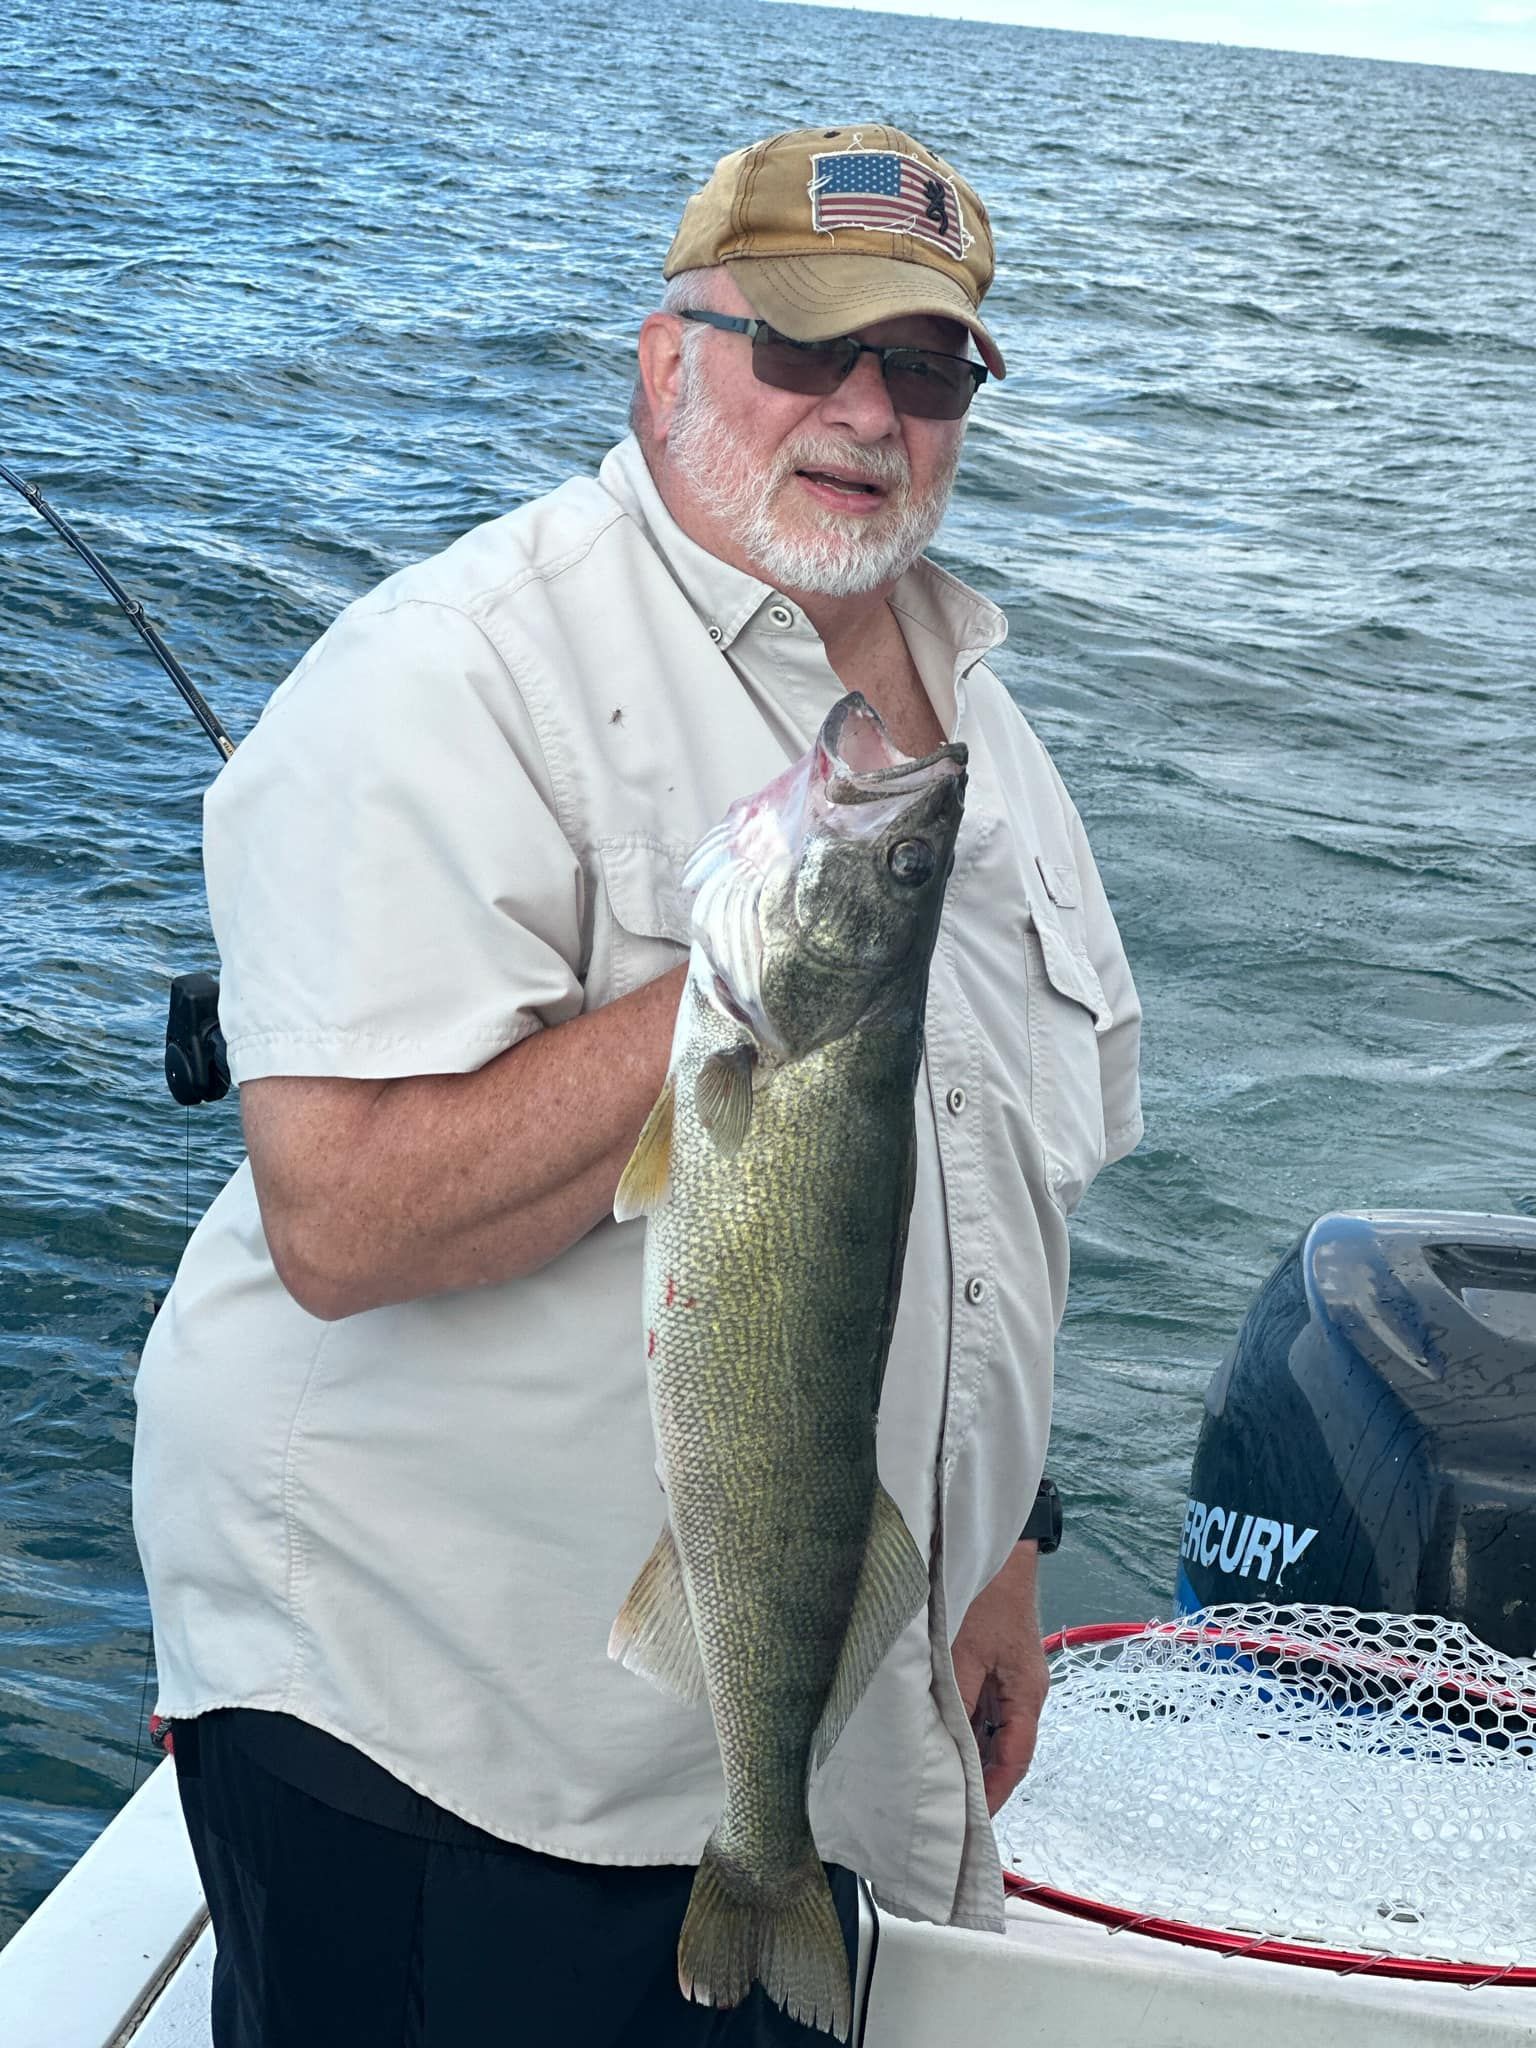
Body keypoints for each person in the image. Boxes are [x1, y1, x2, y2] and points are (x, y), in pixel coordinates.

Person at [133, 123, 1141, 2045]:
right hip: (448, 1747)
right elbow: (339, 1221)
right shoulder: (454, 671)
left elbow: (999, 1187)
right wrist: (761, 993)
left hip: (823, 1739)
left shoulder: (983, 737)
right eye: (806, 346)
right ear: (668, 355)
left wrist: (1003, 1549)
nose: (867, 412)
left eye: (926, 369)